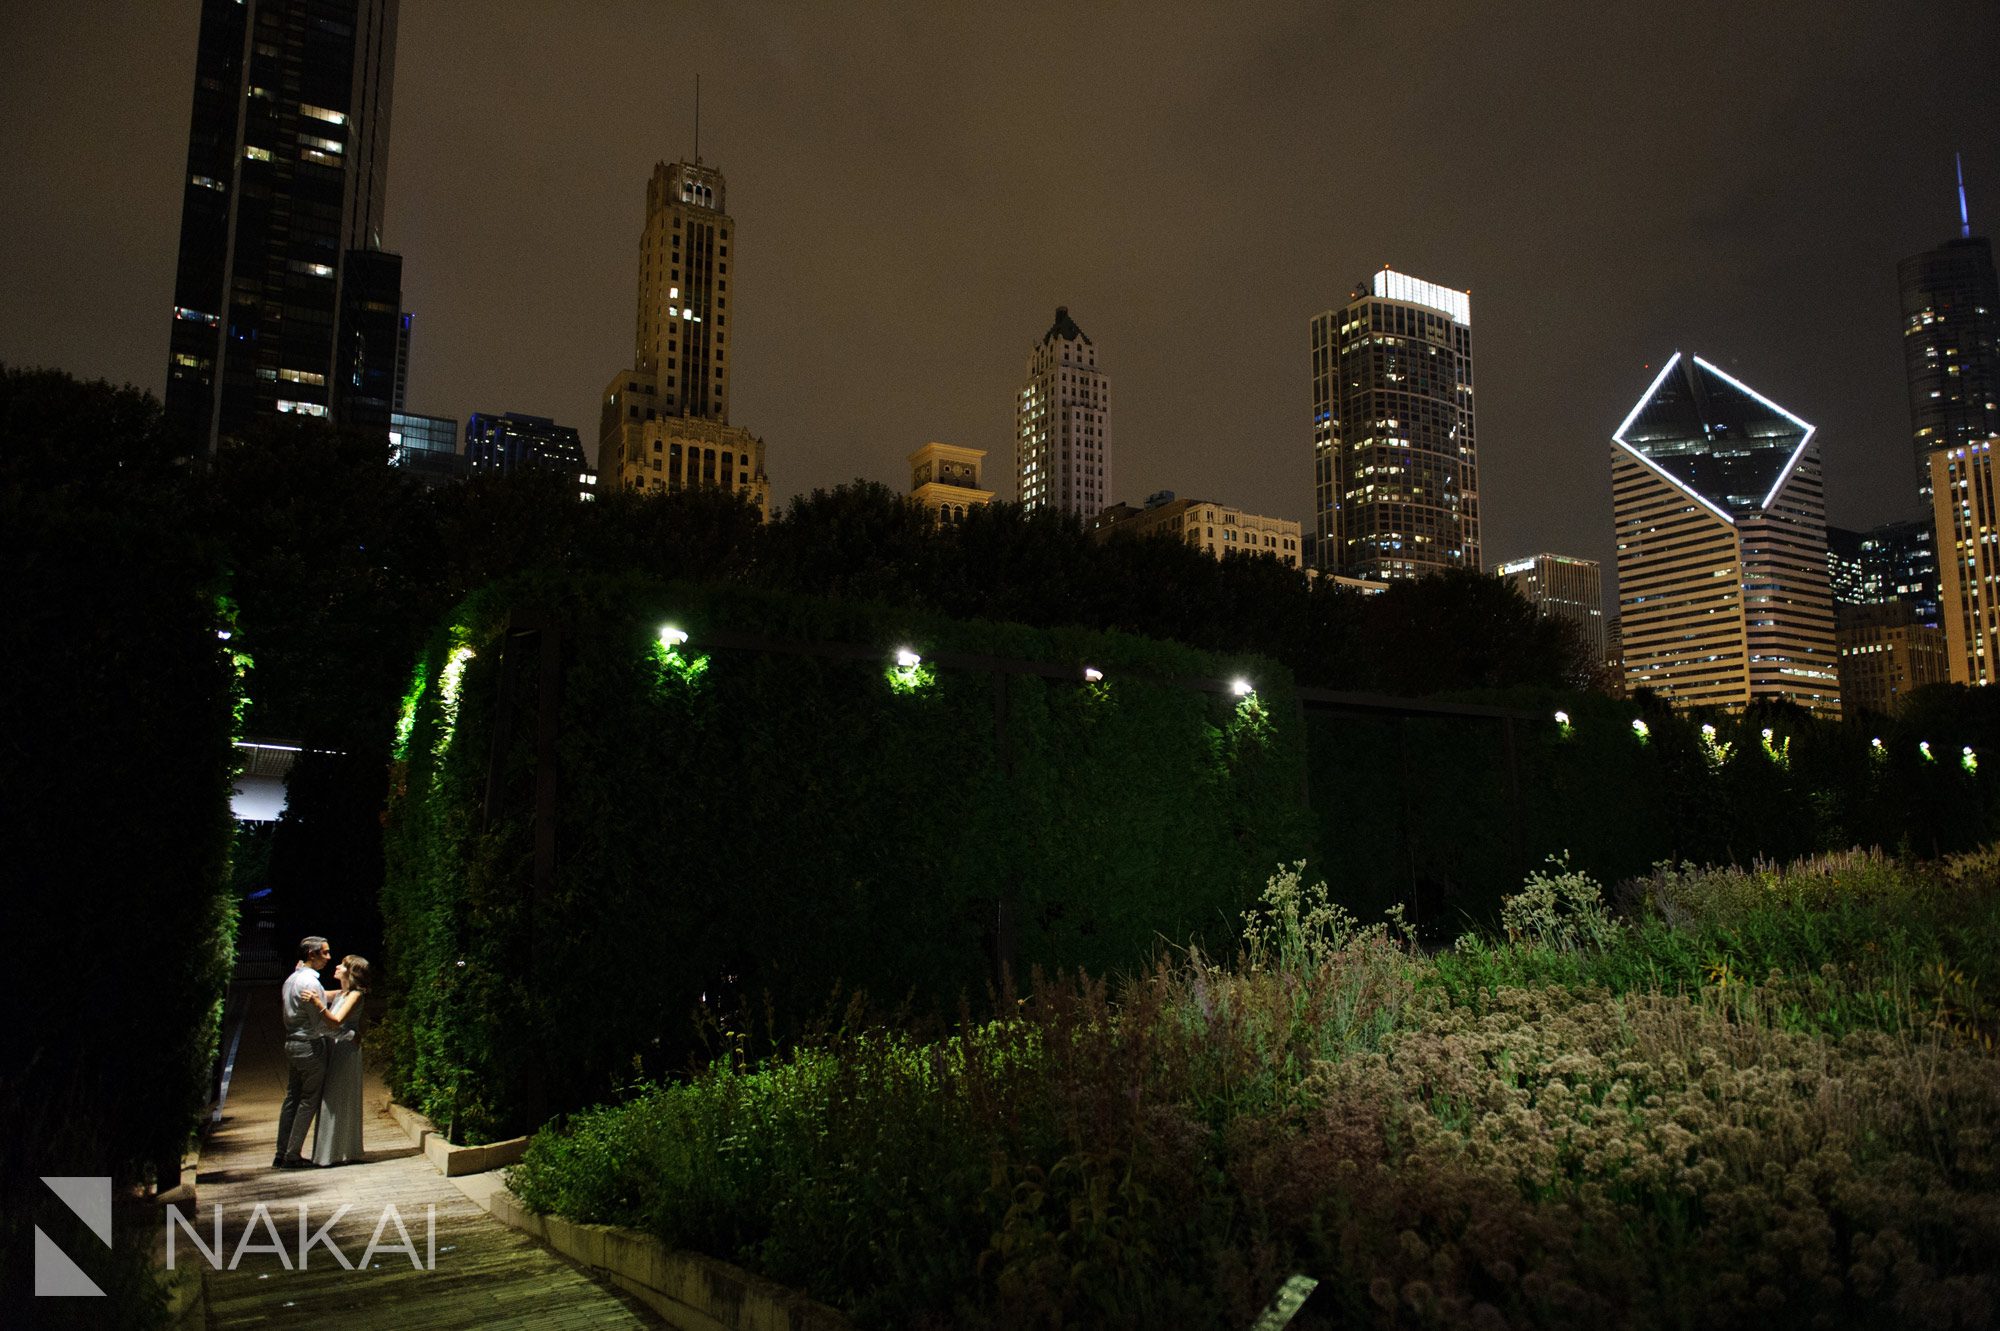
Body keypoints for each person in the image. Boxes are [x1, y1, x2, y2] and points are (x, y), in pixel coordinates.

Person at [274, 936, 348, 1168]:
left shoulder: (292, 979)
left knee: (292, 1099)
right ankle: (292, 1155)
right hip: (309, 1046)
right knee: (308, 1101)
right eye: (324, 953)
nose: (328, 957)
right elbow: (320, 1025)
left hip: (292, 1044)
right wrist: (346, 1036)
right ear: (311, 955)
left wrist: (346, 992)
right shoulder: (311, 984)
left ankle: (281, 1151)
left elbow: (320, 997)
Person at [310, 956, 371, 1166]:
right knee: (331, 1097)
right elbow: (320, 993)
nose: (337, 967)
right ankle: (331, 1152)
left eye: (343, 965)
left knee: (338, 1097)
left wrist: (318, 1005)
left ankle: (340, 1152)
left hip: (346, 1052)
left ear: (351, 973)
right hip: (337, 1049)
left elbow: (337, 1021)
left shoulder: (355, 995)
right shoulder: (341, 993)